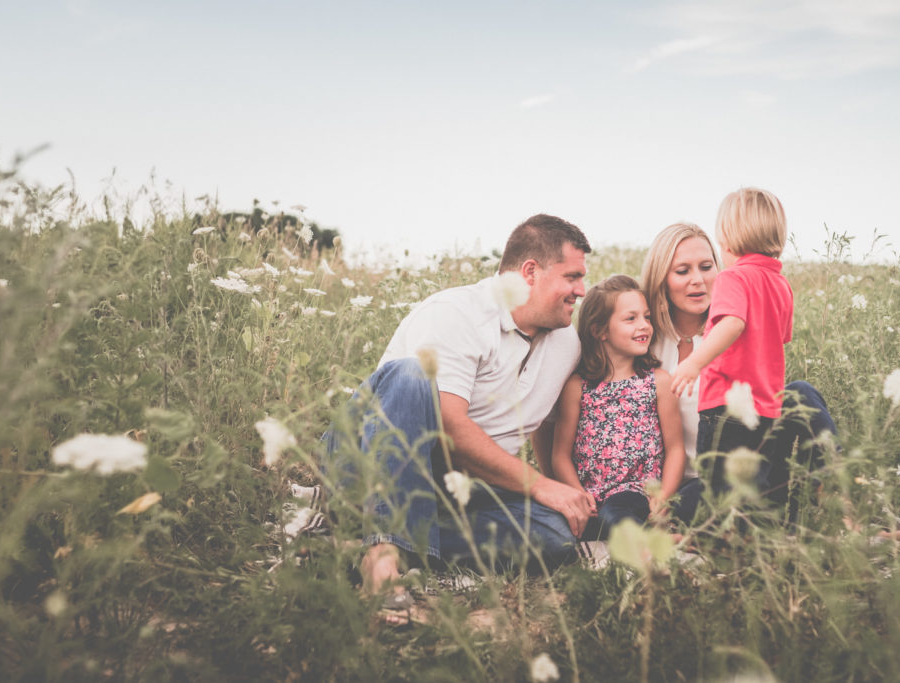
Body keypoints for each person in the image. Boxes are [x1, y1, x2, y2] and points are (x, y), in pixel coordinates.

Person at [324, 214, 600, 623]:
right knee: (411, 373)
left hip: (459, 489)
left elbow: (545, 423)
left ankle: (367, 539)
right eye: (572, 276)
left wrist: (554, 490)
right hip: (375, 463)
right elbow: (451, 429)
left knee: (558, 533)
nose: (581, 290)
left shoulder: (565, 343)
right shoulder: (456, 313)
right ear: (530, 272)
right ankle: (381, 557)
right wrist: (540, 485)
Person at [665, 188, 816, 499]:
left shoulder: (732, 278)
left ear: (727, 239)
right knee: (753, 485)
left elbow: (733, 323)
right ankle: (757, 537)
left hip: (726, 405)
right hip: (765, 408)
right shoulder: (781, 284)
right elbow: (781, 336)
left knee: (720, 491)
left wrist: (695, 362)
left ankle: (727, 543)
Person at [550, 275, 689, 539]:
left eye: (646, 317)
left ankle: (654, 541)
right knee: (559, 526)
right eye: (631, 318)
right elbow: (560, 455)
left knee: (617, 513)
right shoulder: (577, 387)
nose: (644, 326)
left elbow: (675, 448)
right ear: (599, 330)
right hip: (589, 499)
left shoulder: (657, 382)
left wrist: (663, 500)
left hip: (635, 493)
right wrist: (577, 494)